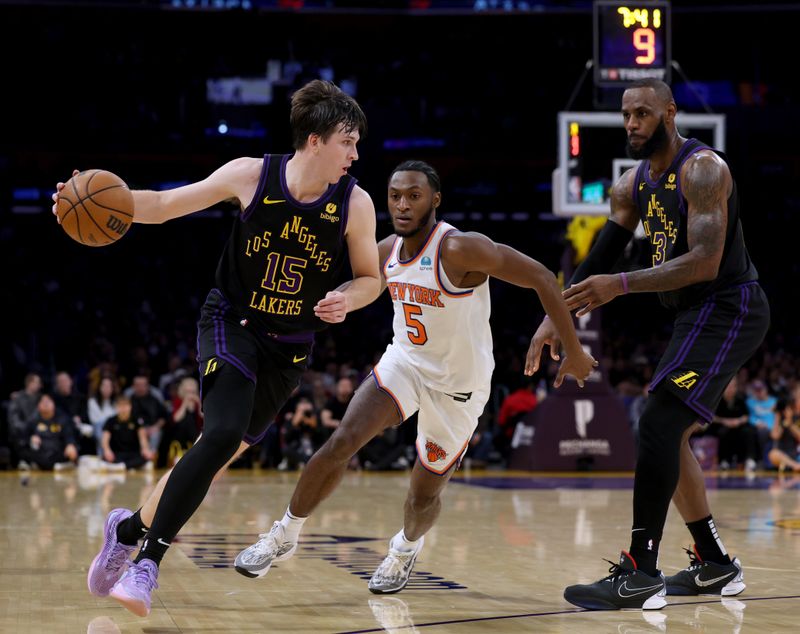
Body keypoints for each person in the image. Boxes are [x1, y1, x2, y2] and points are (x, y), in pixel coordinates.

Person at [53, 79, 379, 617]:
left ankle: (127, 528)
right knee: (222, 432)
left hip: (290, 346)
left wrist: (348, 298)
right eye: (348, 140)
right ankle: (147, 563)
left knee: (216, 454)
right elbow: (160, 204)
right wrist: (78, 198)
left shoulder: (356, 203)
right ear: (315, 140)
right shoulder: (251, 174)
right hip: (233, 320)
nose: (356, 152)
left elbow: (370, 278)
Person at [232, 160, 597, 592]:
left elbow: (539, 276)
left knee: (424, 493)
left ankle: (404, 549)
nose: (402, 205)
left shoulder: (460, 249)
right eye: (395, 196)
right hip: (404, 364)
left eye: (413, 196)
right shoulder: (386, 250)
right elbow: (338, 281)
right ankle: (284, 534)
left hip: (459, 387)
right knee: (342, 440)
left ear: (434, 200)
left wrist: (571, 348)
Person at [529, 79, 770, 610]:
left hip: (730, 306)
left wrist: (620, 285)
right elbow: (602, 253)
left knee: (658, 423)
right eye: (626, 115)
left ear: (670, 112)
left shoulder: (702, 170)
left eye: (642, 113)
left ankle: (640, 571)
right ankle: (713, 564)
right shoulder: (630, 184)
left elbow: (705, 262)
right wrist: (558, 314)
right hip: (692, 315)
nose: (632, 124)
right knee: (669, 431)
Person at [100, 395, 154, 471]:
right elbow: (105, 440)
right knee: (105, 458)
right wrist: (107, 450)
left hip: (133, 453)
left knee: (144, 458)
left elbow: (143, 438)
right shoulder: (110, 421)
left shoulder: (136, 420)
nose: (123, 408)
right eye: (120, 406)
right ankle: (129, 466)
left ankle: (121, 467)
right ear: (116, 407)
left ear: (130, 407)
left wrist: (145, 449)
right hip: (117, 453)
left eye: (125, 405)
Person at [767, 399, 800, 473]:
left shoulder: (796, 418)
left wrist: (790, 423)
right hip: (782, 454)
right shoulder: (779, 420)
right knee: (773, 454)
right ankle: (795, 466)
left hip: (796, 453)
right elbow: (775, 436)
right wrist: (777, 417)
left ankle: (791, 466)